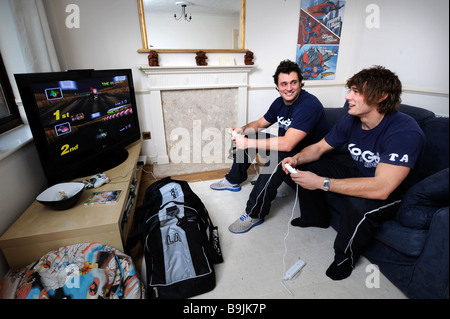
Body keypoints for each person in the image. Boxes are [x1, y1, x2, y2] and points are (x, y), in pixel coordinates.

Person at [282, 65, 425, 280]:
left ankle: (344, 257)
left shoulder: (404, 131)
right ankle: (315, 217)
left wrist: (322, 182)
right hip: (361, 171)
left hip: (394, 189)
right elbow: (320, 147)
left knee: (357, 203)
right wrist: (296, 158)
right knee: (308, 165)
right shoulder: (351, 119)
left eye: (356, 92)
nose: (348, 96)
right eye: (351, 90)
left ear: (381, 97)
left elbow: (382, 187)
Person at [210, 59, 330, 233]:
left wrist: (248, 142)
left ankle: (254, 213)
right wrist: (242, 129)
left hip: (310, 156)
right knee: (252, 134)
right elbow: (259, 123)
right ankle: (233, 180)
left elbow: (288, 144)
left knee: (276, 156)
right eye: (284, 84)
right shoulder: (279, 103)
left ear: (300, 83)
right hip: (289, 150)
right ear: (277, 87)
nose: (289, 88)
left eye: (293, 82)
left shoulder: (308, 105)